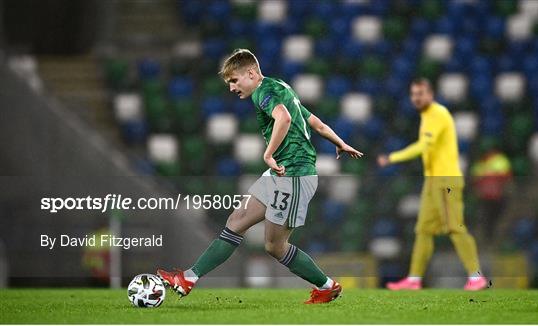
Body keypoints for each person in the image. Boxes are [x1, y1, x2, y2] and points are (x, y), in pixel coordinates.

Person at [158, 49, 363, 304]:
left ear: (251, 74)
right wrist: (340, 142)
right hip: (280, 172)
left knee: (274, 246)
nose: (232, 88)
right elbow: (313, 121)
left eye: (234, 80)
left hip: (293, 174)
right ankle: (189, 278)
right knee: (236, 220)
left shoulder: (264, 93)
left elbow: (285, 118)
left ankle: (327, 286)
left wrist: (268, 154)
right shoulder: (279, 86)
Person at [377, 78, 487, 291]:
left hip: (446, 180)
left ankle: (476, 276)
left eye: (421, 93)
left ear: (431, 94)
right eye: (414, 94)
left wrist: (393, 158)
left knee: (455, 227)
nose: (417, 98)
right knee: (423, 230)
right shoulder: (428, 115)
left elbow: (424, 145)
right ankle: (414, 279)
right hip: (433, 181)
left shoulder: (437, 114)